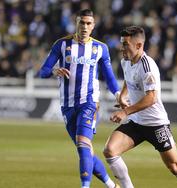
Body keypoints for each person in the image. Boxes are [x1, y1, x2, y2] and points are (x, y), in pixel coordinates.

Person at [103, 26, 177, 188]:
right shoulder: (126, 61)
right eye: (122, 43)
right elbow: (128, 78)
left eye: (126, 44)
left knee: (175, 167)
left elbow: (151, 98)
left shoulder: (148, 67)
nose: (122, 48)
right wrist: (123, 96)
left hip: (156, 124)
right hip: (136, 122)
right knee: (110, 151)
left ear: (139, 45)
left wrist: (125, 111)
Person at [39, 9, 120, 188]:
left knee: (83, 143)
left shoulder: (100, 48)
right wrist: (54, 71)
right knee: (85, 151)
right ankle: (112, 186)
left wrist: (118, 95)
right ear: (76, 23)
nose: (85, 26)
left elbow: (109, 77)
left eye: (88, 23)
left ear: (93, 26)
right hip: (67, 106)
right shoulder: (61, 44)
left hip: (89, 103)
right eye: (81, 22)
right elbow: (42, 71)